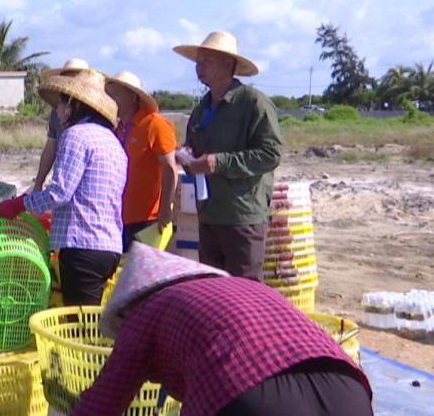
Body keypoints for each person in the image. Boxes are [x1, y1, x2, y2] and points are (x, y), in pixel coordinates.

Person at [72, 243, 372, 416]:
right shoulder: (242, 287)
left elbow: (101, 406)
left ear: (130, 306)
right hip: (349, 392)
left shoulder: (145, 313)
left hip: (252, 401)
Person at [0, 70, 126, 305]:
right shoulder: (113, 141)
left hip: (82, 244)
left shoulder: (75, 136)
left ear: (73, 106)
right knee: (92, 319)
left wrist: (20, 203)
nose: (57, 111)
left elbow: (60, 193)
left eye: (60, 104)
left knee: (79, 327)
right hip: (109, 246)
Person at [173, 31, 283, 280]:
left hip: (241, 216)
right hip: (209, 214)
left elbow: (271, 153)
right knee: (214, 293)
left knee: (246, 294)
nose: (199, 67)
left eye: (206, 61)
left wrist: (218, 162)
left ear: (228, 64)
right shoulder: (201, 109)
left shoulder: (253, 103)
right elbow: (195, 152)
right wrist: (187, 156)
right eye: (198, 62)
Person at [104, 71, 179, 251]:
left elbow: (170, 168)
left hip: (147, 220)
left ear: (132, 97)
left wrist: (165, 209)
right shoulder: (116, 128)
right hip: (116, 217)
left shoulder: (155, 124)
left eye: (115, 95)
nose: (110, 100)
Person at [34, 58, 91, 191]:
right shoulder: (57, 112)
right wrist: (38, 183)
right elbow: (50, 147)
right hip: (62, 178)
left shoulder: (92, 115)